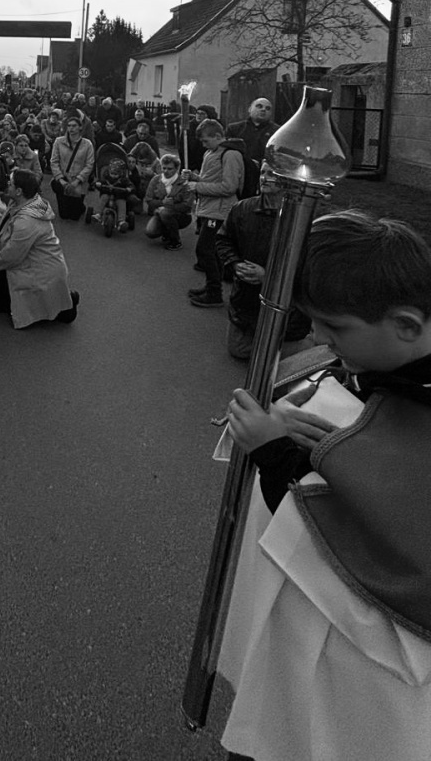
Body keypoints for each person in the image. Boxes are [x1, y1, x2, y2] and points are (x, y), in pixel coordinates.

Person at [218, 210, 431, 761]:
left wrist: (274, 454)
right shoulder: (387, 358)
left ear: (408, 325)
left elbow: (363, 547)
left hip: (369, 666)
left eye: (334, 327)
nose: (317, 337)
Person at [214, 165, 312, 360]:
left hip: (288, 303)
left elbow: (310, 265)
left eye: (271, 174)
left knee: (285, 352)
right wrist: (235, 264)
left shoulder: (303, 217)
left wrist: (268, 276)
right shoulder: (242, 209)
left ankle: (307, 345)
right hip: (247, 299)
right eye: (262, 172)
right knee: (238, 349)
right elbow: (223, 239)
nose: (264, 178)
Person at [0, 169, 79, 328]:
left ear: (19, 191)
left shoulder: (26, 221)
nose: (7, 184)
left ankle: (67, 305)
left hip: (40, 268)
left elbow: (13, 255)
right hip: (34, 261)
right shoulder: (20, 203)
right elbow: (3, 230)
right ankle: (62, 299)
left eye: (11, 183)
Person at [184, 119, 245, 307]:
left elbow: (229, 186)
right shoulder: (212, 152)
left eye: (206, 141)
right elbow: (211, 179)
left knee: (205, 250)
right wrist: (194, 177)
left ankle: (214, 293)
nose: (204, 145)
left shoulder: (231, 154)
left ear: (218, 136)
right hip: (210, 208)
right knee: (212, 252)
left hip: (220, 211)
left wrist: (197, 186)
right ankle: (212, 286)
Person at [225, 97, 278, 197]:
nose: (263, 109)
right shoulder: (234, 129)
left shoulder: (277, 132)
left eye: (268, 108)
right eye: (259, 106)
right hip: (238, 175)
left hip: (261, 179)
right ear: (250, 109)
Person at [50, 113, 95, 222]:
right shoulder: (59, 141)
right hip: (63, 179)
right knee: (64, 215)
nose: (71, 128)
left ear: (80, 127)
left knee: (74, 217)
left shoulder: (87, 144)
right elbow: (54, 162)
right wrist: (61, 179)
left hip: (78, 180)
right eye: (69, 126)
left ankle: (80, 205)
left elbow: (89, 165)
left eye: (74, 126)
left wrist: (77, 180)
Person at [143, 152, 192, 250]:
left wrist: (170, 206)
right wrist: (162, 203)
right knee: (150, 232)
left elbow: (187, 205)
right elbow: (148, 200)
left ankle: (176, 241)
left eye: (170, 169)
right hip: (159, 212)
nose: (166, 171)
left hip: (181, 215)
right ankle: (167, 231)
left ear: (177, 168)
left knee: (165, 213)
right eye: (164, 168)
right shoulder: (156, 180)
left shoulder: (184, 182)